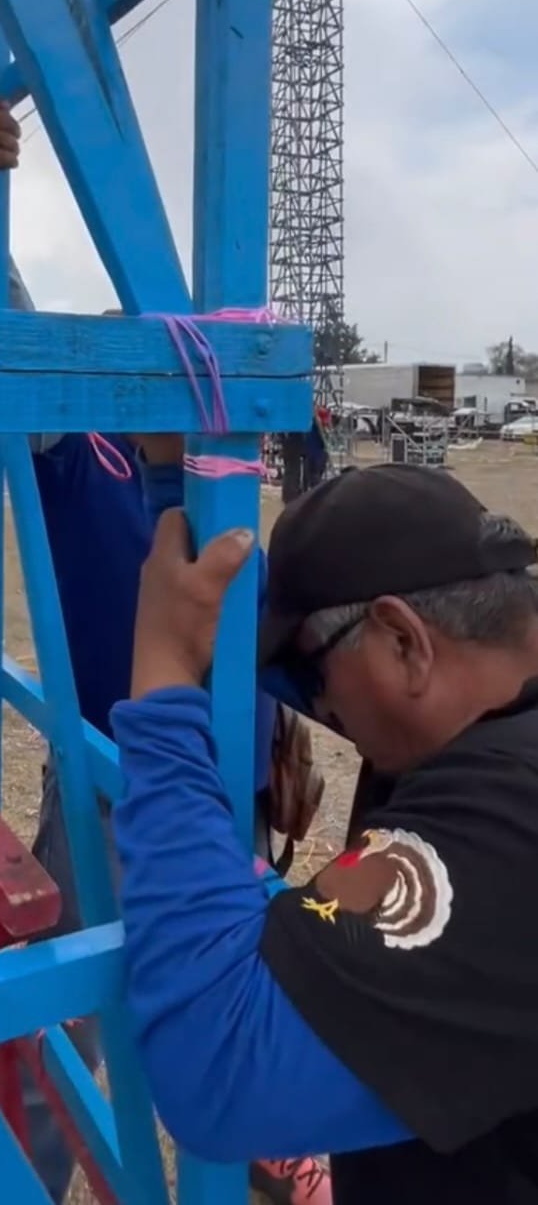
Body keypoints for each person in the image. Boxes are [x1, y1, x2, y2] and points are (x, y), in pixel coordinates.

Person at [0, 94, 329, 1205]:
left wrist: (279, 730)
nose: (217, 380)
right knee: (68, 1028)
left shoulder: (226, 488)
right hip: (109, 794)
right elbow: (13, 346)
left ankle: (263, 1153)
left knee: (245, 989)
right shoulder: (86, 456)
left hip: (231, 781)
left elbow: (246, 626)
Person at [111, 462, 538, 1204]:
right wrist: (174, 479)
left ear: (404, 641)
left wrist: (165, 680)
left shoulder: (514, 815)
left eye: (314, 681)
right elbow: (281, 633)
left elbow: (220, 1066)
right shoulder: (487, 701)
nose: (319, 709)